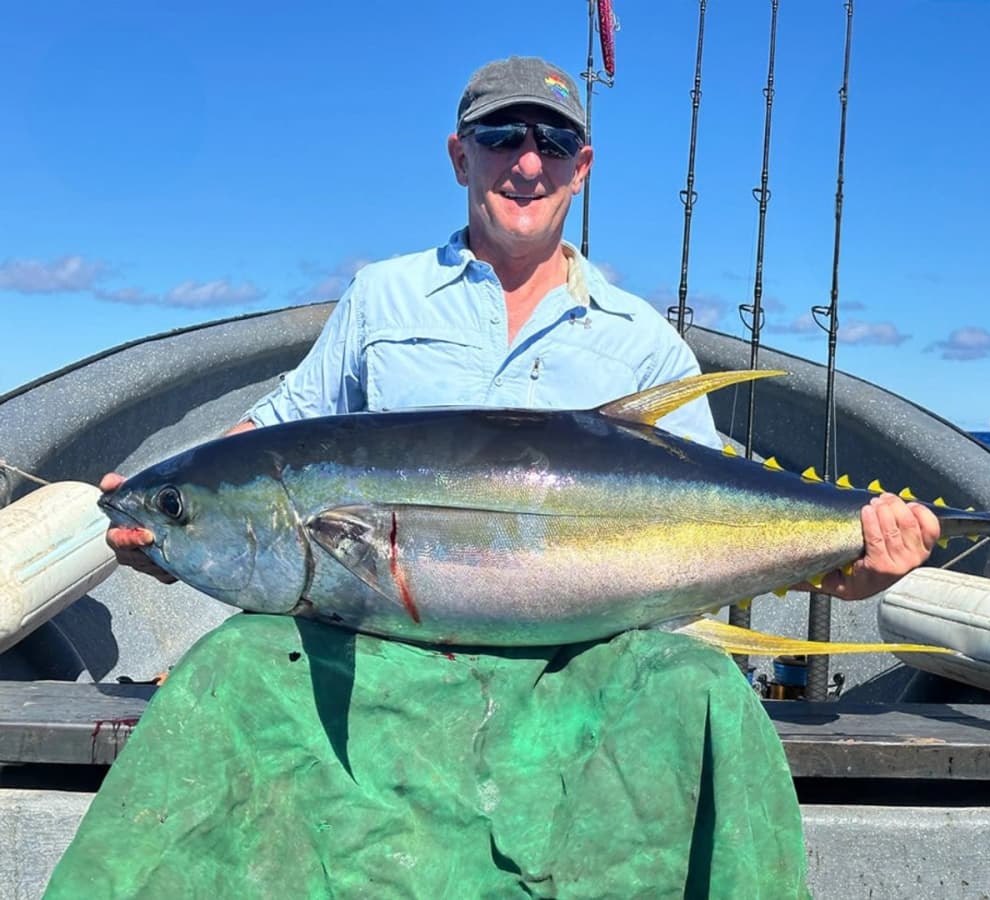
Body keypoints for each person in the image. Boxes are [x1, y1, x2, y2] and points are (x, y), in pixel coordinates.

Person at [70, 55, 938, 897]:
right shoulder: (382, 298)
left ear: (581, 168)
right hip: (387, 650)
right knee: (234, 662)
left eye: (552, 143)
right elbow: (270, 437)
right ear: (461, 156)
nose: (527, 163)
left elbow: (720, 528)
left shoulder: (641, 338)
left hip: (587, 658)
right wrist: (166, 515)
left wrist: (849, 564)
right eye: (500, 137)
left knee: (707, 691)